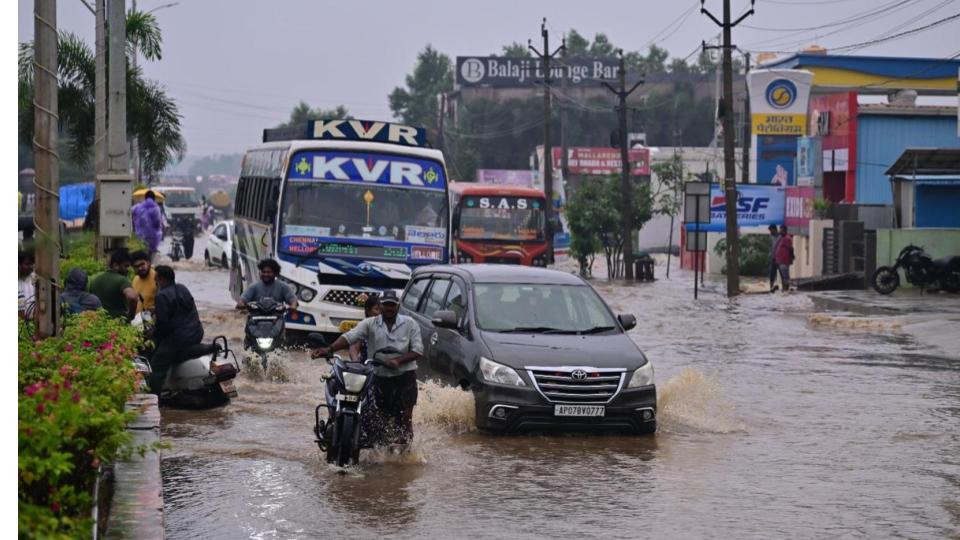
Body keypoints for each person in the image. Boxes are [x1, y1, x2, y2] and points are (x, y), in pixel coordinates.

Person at [311, 290, 422, 445]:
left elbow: (418, 350)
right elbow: (350, 337)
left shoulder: (410, 324)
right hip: (379, 378)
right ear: (380, 306)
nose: (389, 308)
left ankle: (405, 455)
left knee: (405, 419)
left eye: (392, 305)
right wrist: (329, 349)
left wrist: (398, 361)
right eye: (386, 305)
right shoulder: (370, 323)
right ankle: (378, 450)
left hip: (405, 378)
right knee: (379, 418)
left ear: (398, 306)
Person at [150, 265, 204, 395]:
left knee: (156, 365)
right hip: (197, 333)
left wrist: (154, 335)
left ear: (161, 279)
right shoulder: (183, 288)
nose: (155, 281)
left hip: (179, 339)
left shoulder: (161, 296)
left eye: (156, 278)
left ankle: (154, 397)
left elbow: (162, 324)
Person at [89, 249, 139, 320]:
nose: (128, 269)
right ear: (115, 265)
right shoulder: (122, 280)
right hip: (118, 323)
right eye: (126, 266)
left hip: (99, 321)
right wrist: (131, 315)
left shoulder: (96, 279)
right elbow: (132, 297)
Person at [348, 293, 382, 362]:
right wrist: (356, 362)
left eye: (381, 309)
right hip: (366, 366)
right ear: (368, 311)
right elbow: (354, 348)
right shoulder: (363, 327)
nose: (379, 313)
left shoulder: (388, 326)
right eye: (376, 309)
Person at [133, 191, 163, 255]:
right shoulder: (156, 208)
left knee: (141, 252)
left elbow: (130, 213)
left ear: (145, 198)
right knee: (151, 253)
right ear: (154, 198)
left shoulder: (138, 206)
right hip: (153, 237)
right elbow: (157, 222)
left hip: (140, 235)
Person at [775, 225, 795, 292]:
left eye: (782, 230)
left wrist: (792, 256)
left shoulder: (787, 238)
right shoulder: (781, 238)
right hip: (780, 260)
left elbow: (791, 248)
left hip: (784, 260)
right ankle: (784, 288)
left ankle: (786, 288)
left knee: (785, 275)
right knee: (783, 276)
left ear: (785, 231)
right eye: (780, 230)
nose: (780, 232)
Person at [18, 250, 36, 318]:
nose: (31, 267)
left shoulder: (35, 278)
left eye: (32, 264)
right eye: (27, 264)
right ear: (19, 265)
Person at [768, 224, 781, 293]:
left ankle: (785, 287)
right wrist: (771, 255)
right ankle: (771, 287)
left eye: (771, 230)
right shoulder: (771, 237)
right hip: (773, 258)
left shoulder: (781, 237)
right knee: (772, 273)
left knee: (782, 273)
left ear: (774, 229)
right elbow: (771, 247)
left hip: (780, 258)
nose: (770, 232)